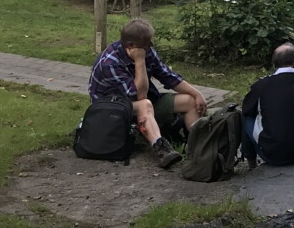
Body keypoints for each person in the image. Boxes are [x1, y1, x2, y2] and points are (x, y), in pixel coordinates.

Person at [88, 18, 209, 168]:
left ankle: (200, 148)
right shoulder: (110, 63)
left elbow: (168, 76)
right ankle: (162, 149)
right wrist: (139, 61)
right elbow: (139, 96)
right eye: (147, 43)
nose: (151, 46)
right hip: (113, 111)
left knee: (190, 101)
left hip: (139, 102)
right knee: (144, 104)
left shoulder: (146, 50)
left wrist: (197, 94)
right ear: (131, 46)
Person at [241, 43, 294, 167]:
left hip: (272, 155)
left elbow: (247, 110)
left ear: (274, 64)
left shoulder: (261, 85)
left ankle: (251, 162)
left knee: (246, 115)